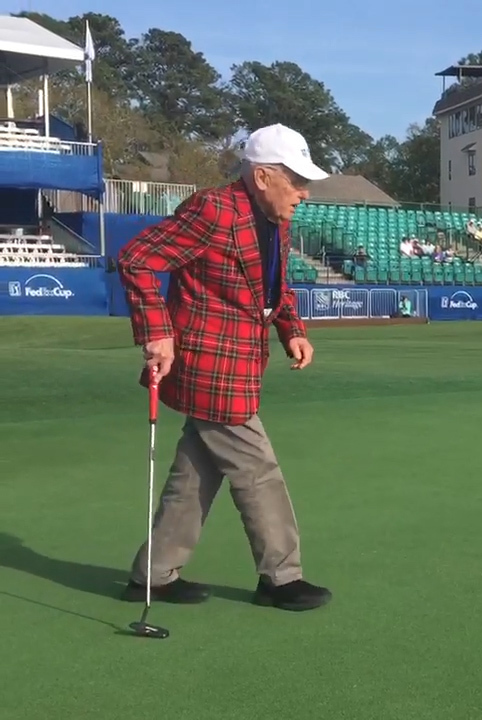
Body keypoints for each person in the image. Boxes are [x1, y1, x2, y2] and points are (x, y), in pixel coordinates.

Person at [116, 123, 333, 613]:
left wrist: (291, 329)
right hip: (207, 364)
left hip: (241, 361)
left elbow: (276, 286)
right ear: (261, 177)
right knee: (258, 469)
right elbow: (137, 259)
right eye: (296, 180)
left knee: (197, 470)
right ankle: (281, 577)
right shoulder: (212, 210)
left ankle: (152, 574)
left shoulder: (276, 218)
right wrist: (156, 331)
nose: (304, 192)